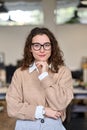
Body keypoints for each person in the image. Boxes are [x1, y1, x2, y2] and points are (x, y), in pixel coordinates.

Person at [6, 27, 73, 130]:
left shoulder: (63, 72)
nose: (42, 50)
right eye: (37, 45)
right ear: (30, 48)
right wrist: (43, 111)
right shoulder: (20, 73)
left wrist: (44, 75)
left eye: (46, 45)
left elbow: (60, 104)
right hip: (26, 127)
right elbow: (12, 108)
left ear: (52, 47)